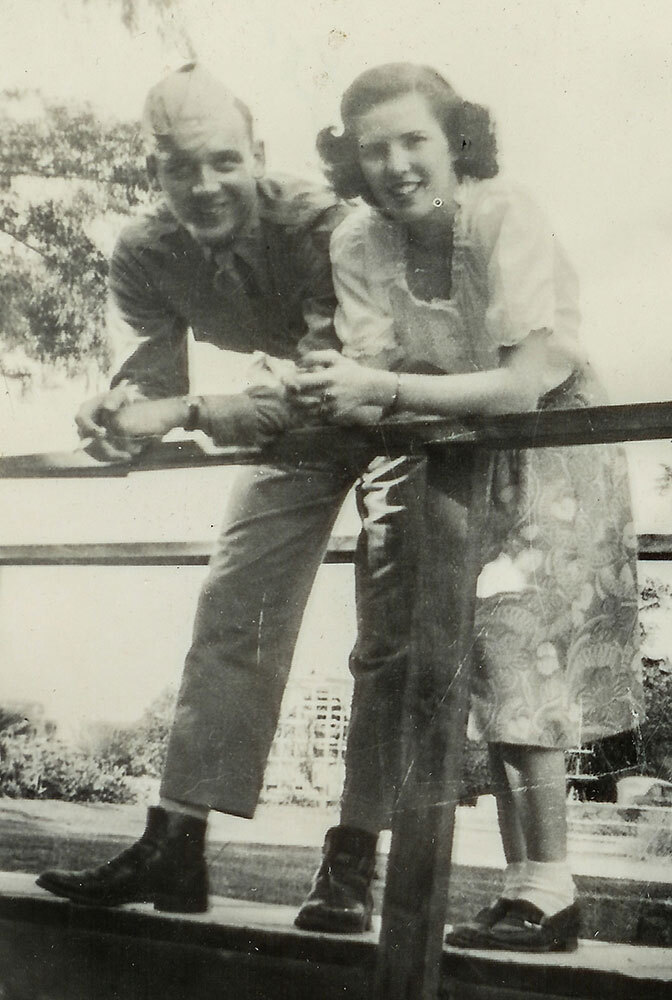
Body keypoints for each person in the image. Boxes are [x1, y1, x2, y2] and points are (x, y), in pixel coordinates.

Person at [36, 62, 423, 934]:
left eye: (221, 161)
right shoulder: (143, 252)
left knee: (393, 637)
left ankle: (353, 858)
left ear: (257, 152)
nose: (204, 185)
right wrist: (115, 413)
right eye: (180, 167)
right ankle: (175, 844)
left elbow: (330, 386)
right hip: (295, 418)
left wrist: (184, 410)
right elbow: (148, 385)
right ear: (154, 173)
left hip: (396, 397)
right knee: (232, 607)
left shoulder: (326, 223)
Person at [294, 63, 644, 952]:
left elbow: (525, 384)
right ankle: (517, 892)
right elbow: (373, 388)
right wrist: (341, 393)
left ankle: (547, 892)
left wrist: (379, 385)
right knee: (453, 658)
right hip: (447, 449)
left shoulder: (502, 213)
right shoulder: (359, 243)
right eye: (374, 149)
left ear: (457, 139)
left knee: (520, 643)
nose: (397, 165)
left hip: (550, 438)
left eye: (415, 139)